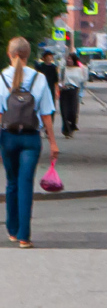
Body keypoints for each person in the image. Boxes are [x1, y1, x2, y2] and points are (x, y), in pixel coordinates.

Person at [2, 37, 60, 247]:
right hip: (30, 138)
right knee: (26, 183)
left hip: (7, 137)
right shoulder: (40, 78)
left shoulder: (2, 78)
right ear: (28, 55)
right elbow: (46, 114)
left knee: (12, 183)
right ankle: (24, 237)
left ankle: (12, 230)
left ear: (10, 54)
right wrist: (53, 143)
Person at [59, 53, 86, 138]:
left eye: (70, 59)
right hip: (64, 91)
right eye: (67, 59)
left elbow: (82, 79)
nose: (68, 60)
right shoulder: (63, 69)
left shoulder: (78, 69)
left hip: (74, 91)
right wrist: (61, 85)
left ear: (74, 60)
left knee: (73, 112)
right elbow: (59, 79)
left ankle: (72, 126)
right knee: (64, 112)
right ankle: (67, 131)